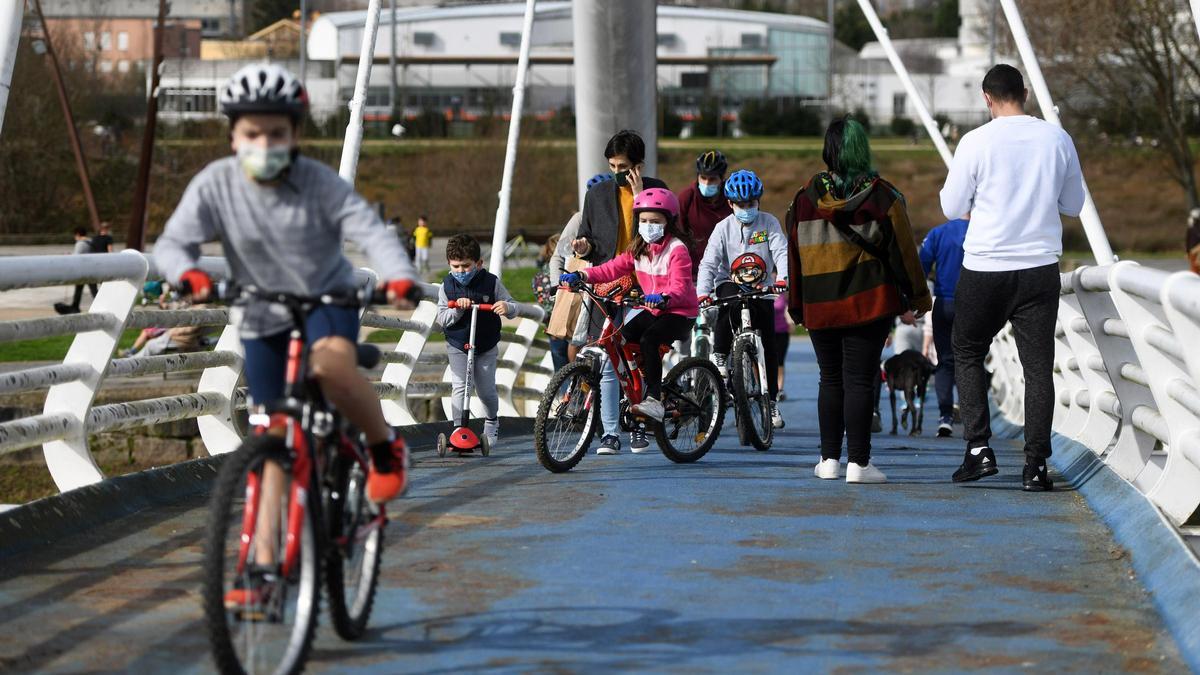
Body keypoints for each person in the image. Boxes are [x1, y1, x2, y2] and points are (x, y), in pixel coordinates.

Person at [154, 64, 421, 610]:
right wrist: (188, 274)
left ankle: (384, 449)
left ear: (295, 134)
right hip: (260, 315)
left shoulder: (320, 184)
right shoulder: (215, 184)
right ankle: (263, 570)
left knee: (331, 368)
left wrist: (398, 275)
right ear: (233, 135)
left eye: (277, 133)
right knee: (274, 443)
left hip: (326, 302)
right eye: (252, 133)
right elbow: (172, 244)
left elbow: (370, 231)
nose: (264, 144)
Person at [940, 64, 1084, 491]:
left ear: (987, 98)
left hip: (986, 265)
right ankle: (1036, 465)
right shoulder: (1057, 138)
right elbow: (1073, 204)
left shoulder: (975, 142)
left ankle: (979, 450)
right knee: (1038, 368)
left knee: (966, 349)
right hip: (1039, 267)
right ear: (1024, 92)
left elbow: (951, 207)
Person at [786, 117, 932, 484]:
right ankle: (859, 464)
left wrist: (797, 305)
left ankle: (829, 460)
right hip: (869, 303)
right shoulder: (883, 196)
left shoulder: (804, 199)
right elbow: (904, 253)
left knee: (830, 378)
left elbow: (794, 256)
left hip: (820, 304)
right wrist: (918, 297)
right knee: (859, 380)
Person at [561, 187, 698, 431]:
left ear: (669, 222)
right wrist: (581, 274)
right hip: (652, 308)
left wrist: (665, 297)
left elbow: (680, 285)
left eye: (655, 221)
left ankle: (654, 399)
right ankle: (641, 383)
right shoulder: (638, 249)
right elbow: (610, 269)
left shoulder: (677, 249)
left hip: (678, 311)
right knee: (619, 337)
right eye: (643, 220)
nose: (648, 225)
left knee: (649, 340)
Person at [571, 130, 669, 454]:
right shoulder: (596, 195)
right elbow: (587, 238)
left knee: (638, 358)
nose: (616, 170)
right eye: (611, 164)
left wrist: (640, 194)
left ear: (638, 165)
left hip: (646, 285)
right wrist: (583, 246)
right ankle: (610, 432)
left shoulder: (658, 192)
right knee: (609, 358)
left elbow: (661, 240)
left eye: (623, 164)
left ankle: (639, 425)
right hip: (606, 284)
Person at [696, 169, 789, 429]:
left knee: (770, 345)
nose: (746, 209)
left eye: (751, 204)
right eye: (741, 205)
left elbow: (781, 252)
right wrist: (703, 292)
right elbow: (708, 263)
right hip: (730, 283)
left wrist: (783, 279)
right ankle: (721, 356)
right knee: (729, 304)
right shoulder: (722, 228)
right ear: (730, 204)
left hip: (762, 286)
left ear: (758, 201)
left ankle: (770, 403)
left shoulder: (769, 223)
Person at [436, 234, 513, 448]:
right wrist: (457, 310)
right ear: (449, 264)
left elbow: (512, 304)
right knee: (460, 386)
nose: (460, 271)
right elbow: (442, 318)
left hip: (486, 344)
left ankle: (491, 421)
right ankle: (458, 428)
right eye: (456, 266)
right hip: (458, 344)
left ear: (478, 263)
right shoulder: (447, 286)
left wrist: (506, 307)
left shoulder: (491, 283)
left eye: (466, 266)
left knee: (486, 389)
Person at [919, 215, 968, 437]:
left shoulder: (938, 233)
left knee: (945, 361)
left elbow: (921, 265)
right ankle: (971, 416)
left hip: (944, 303)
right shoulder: (985, 229)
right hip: (973, 303)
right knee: (970, 360)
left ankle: (945, 416)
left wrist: (915, 301)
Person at [677, 149, 733, 276]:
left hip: (727, 269)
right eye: (703, 177)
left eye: (712, 179)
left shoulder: (731, 199)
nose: (707, 183)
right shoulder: (687, 198)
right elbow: (678, 235)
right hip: (694, 269)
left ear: (722, 178)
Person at [54, 227, 98, 315]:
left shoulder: (80, 243)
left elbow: (76, 257)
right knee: (84, 288)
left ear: (78, 234)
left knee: (89, 289)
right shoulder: (91, 241)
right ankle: (76, 305)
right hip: (91, 268)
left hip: (83, 270)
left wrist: (68, 256)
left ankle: (76, 307)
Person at [773, 292, 791, 402]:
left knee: (780, 361)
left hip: (782, 332)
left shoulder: (784, 295)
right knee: (768, 360)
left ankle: (780, 389)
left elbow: (789, 309)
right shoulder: (764, 294)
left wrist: (791, 323)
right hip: (768, 332)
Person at [1187, 208, 1200, 274]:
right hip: (1193, 250)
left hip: (1196, 250)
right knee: (1194, 267)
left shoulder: (1193, 227)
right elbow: (1188, 240)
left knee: (1195, 267)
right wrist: (1187, 251)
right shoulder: (1191, 228)